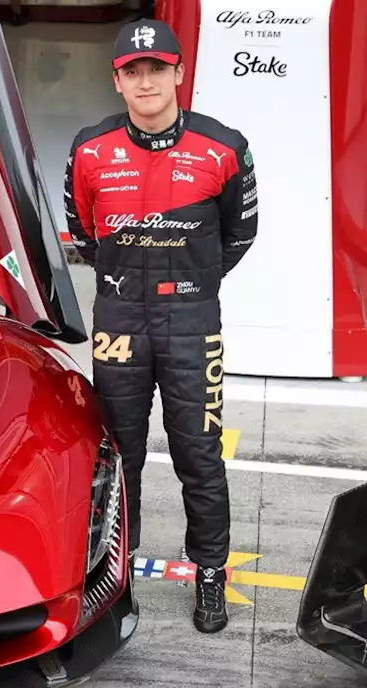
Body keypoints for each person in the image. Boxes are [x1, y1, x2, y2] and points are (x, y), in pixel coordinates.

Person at [63, 18, 258, 634]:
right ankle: (114, 576)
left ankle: (209, 575)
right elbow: (83, 236)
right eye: (132, 71)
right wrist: (135, 284)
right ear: (117, 81)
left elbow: (240, 235)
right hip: (118, 317)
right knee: (119, 456)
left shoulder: (223, 146)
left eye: (157, 68)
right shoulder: (89, 150)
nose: (145, 80)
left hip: (191, 322)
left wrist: (190, 285)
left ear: (178, 73)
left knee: (199, 453)